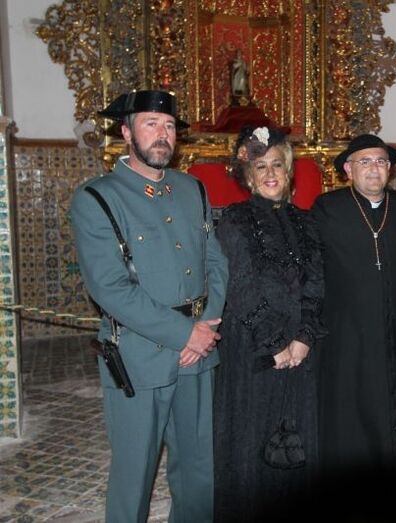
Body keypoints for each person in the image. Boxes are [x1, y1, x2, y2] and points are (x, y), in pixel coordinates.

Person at [70, 89, 228, 522]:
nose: (163, 134)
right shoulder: (96, 198)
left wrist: (207, 325)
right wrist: (185, 334)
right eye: (151, 124)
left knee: (199, 471)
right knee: (134, 475)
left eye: (170, 126)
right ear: (126, 132)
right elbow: (110, 287)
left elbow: (216, 262)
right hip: (138, 355)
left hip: (199, 352)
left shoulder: (192, 189)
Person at [212, 126, 326, 520]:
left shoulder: (307, 222)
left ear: (289, 171)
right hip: (253, 346)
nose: (271, 174)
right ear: (249, 175)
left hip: (302, 346)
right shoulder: (235, 220)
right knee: (252, 435)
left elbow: (317, 282)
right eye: (261, 167)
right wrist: (274, 343)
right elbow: (240, 286)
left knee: (299, 434)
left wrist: (304, 336)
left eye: (277, 165)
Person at [311, 134, 396, 518]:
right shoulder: (327, 209)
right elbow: (310, 270)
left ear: (389, 168)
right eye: (365, 162)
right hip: (347, 332)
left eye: (380, 161)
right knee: (351, 409)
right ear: (348, 169)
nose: (374, 169)